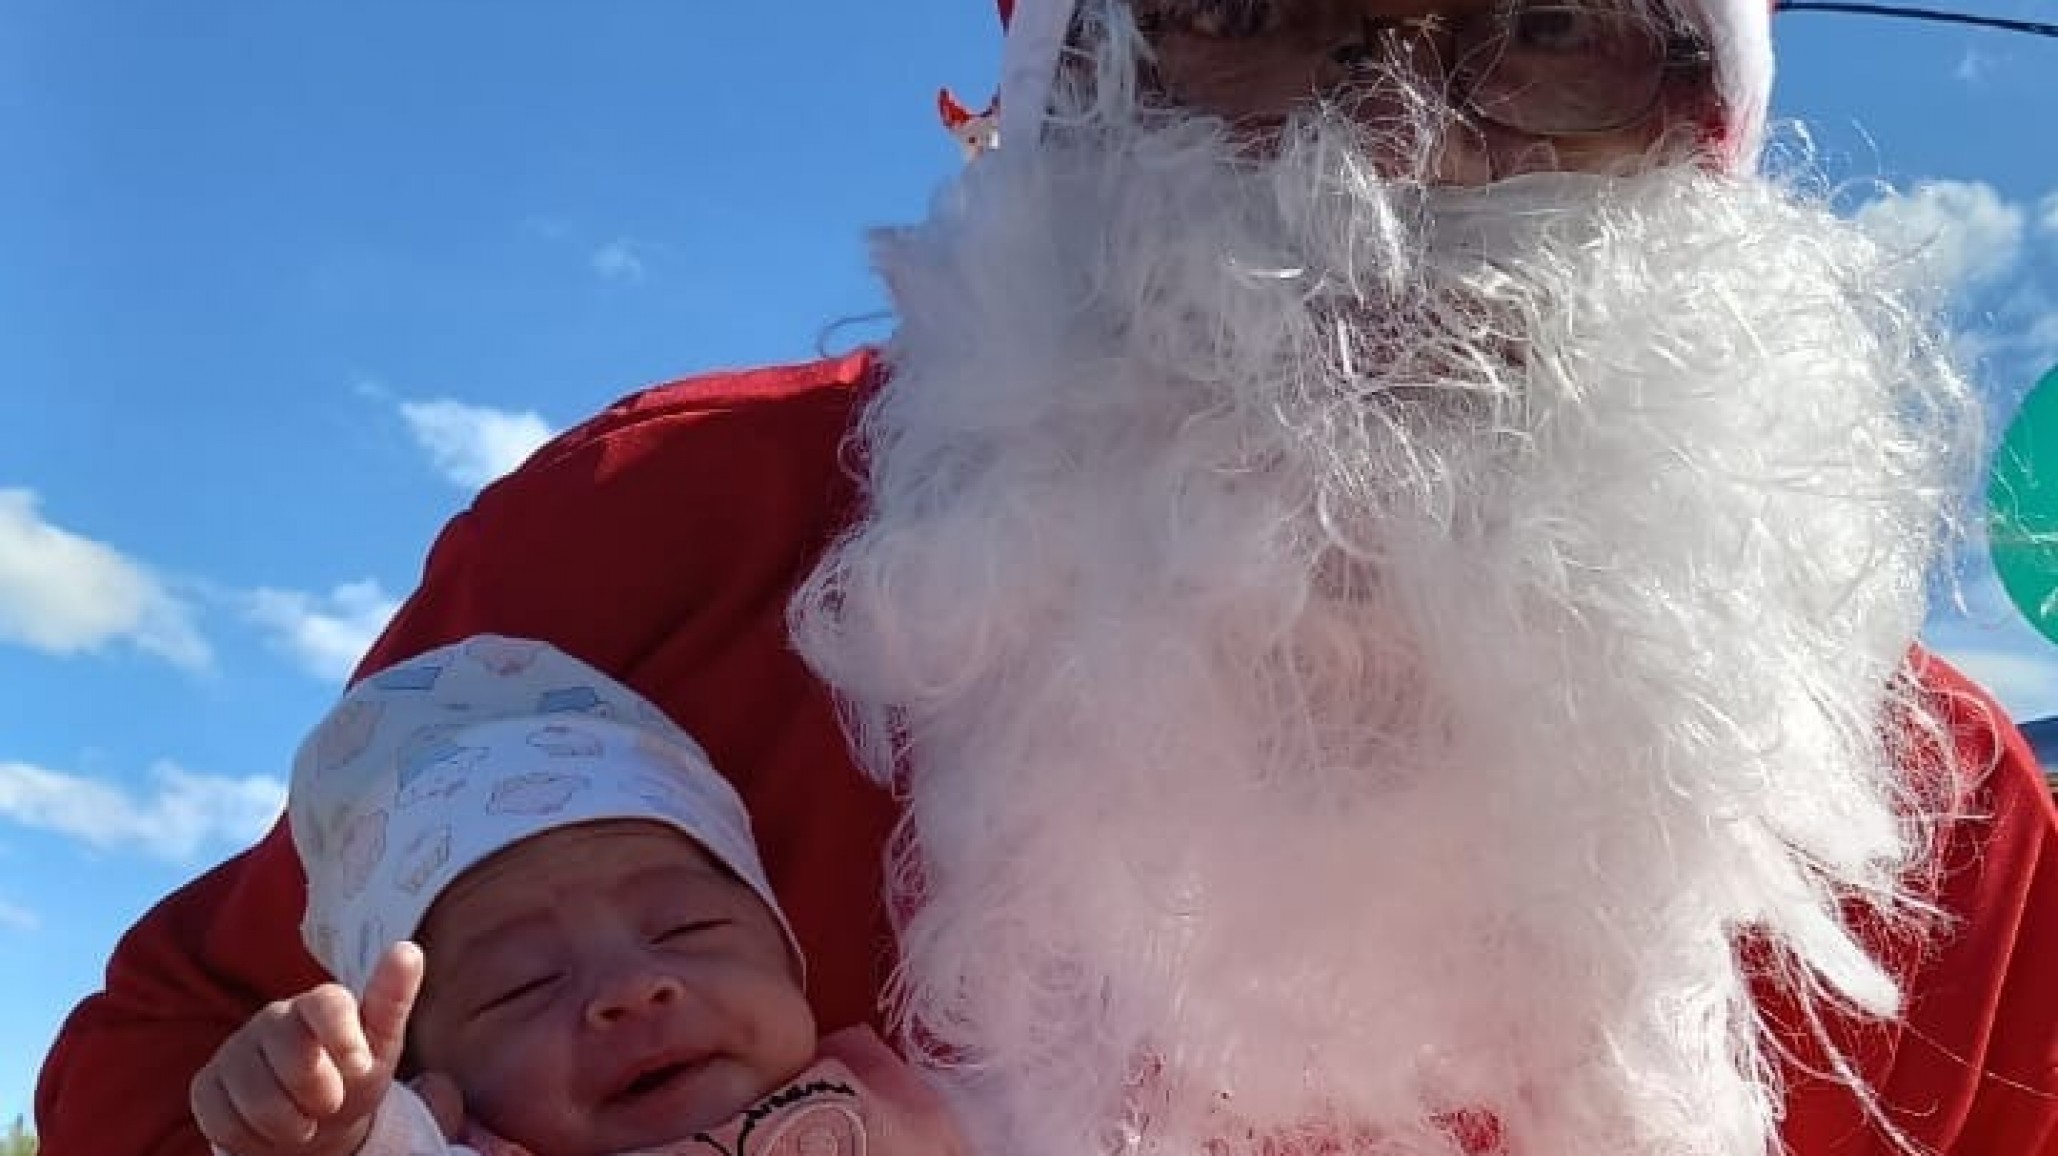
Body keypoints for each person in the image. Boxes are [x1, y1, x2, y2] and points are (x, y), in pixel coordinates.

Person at [37, 1, 2058, 1154]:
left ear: (1700, 127)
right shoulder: (656, 532)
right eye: (1258, 20)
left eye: (1548, 36)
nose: (1390, 136)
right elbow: (160, 1076)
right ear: (1063, 85)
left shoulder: (1930, 812)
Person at [192, 636, 965, 1156]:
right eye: (523, 984)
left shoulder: (934, 1100)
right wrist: (345, 1132)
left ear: (785, 950)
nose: (630, 989)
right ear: (433, 1082)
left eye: (685, 927)